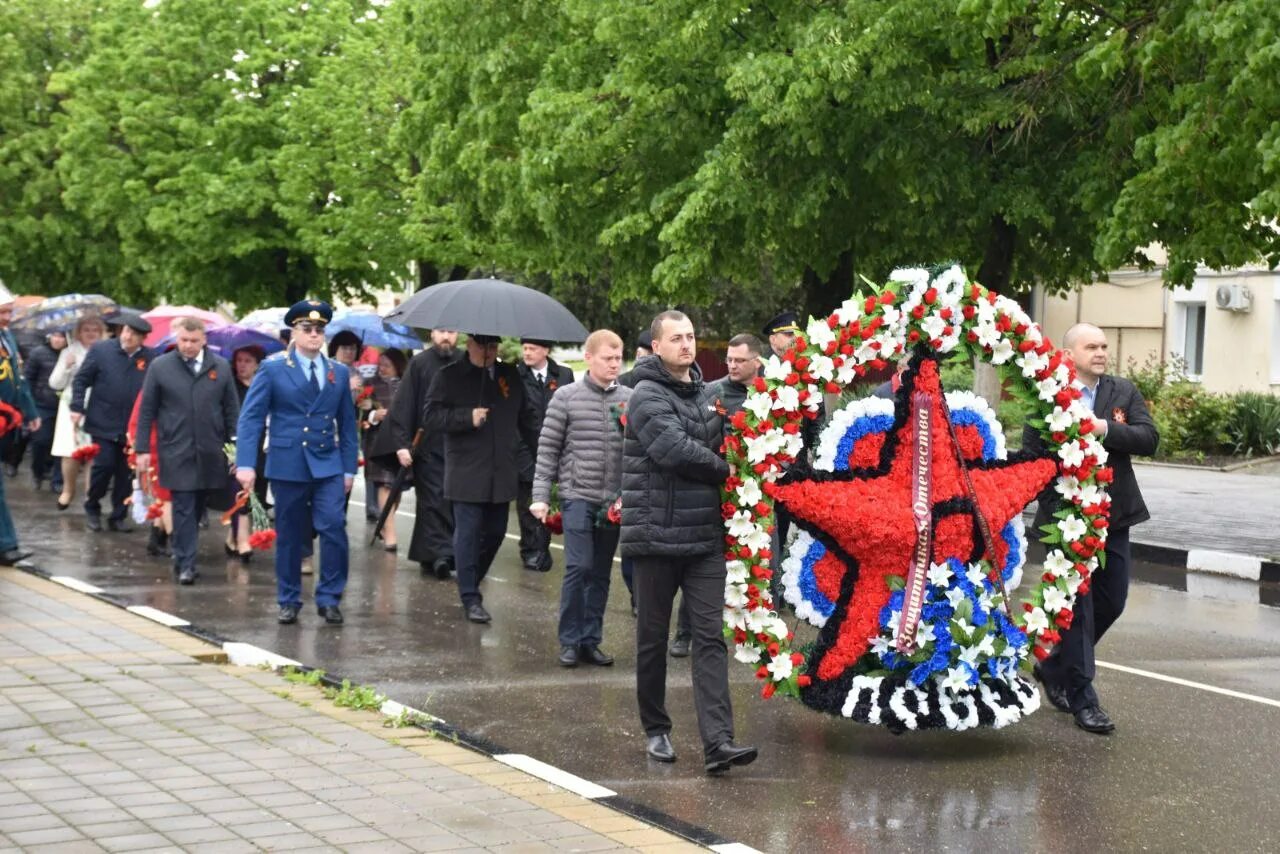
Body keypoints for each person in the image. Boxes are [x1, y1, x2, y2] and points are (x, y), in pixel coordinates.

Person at [622, 310, 757, 775]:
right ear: (656, 347)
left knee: (709, 638)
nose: (687, 344)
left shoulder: (709, 394)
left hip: (703, 540)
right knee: (652, 639)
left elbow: (728, 439)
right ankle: (656, 728)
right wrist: (728, 468)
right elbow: (674, 451)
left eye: (691, 336)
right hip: (656, 537)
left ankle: (718, 742)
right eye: (676, 338)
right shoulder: (644, 394)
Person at [1025, 322, 1158, 735]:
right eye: (1091, 346)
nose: (1101, 352)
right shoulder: (1048, 396)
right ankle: (1084, 699)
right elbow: (1033, 461)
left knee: (1112, 600)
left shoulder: (1122, 392)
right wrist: (1057, 507)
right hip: (1066, 524)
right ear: (1068, 355)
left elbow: (1148, 438)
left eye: (1103, 346)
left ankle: (1052, 665)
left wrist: (1105, 429)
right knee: (1078, 612)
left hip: (1113, 518)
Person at [236, 300, 358, 626]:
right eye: (307, 329)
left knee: (333, 526)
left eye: (319, 329)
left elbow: (347, 425)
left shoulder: (337, 372)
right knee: (290, 535)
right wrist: (246, 463)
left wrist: (349, 468)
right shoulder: (274, 368)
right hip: (288, 461)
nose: (314, 335)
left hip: (327, 462)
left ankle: (330, 597)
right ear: (294, 332)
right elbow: (251, 419)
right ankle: (288, 599)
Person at [529, 330, 630, 667]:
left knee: (601, 572)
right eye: (607, 358)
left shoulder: (630, 399)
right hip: (577, 496)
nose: (614, 364)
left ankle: (591, 639)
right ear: (589, 358)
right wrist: (541, 497)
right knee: (579, 566)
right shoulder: (566, 397)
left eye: (618, 358)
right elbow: (547, 449)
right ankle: (569, 640)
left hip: (613, 503)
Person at [424, 333, 539, 624]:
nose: (488, 352)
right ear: (470, 345)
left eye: (493, 346)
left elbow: (527, 419)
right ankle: (470, 596)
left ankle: (470, 578)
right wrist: (465, 417)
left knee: (497, 532)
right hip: (466, 472)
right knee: (468, 533)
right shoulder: (449, 376)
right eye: (483, 346)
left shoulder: (508, 375)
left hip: (501, 471)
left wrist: (547, 451)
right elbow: (431, 417)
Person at [134, 318, 239, 586]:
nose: (188, 346)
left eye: (194, 341)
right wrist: (142, 448)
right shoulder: (161, 367)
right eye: (183, 340)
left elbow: (231, 411)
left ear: (203, 339)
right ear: (175, 339)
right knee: (182, 505)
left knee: (197, 508)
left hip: (210, 450)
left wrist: (235, 448)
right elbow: (146, 411)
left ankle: (184, 556)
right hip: (175, 449)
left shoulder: (220, 367)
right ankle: (186, 563)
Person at [70, 311, 155, 532]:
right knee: (103, 466)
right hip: (103, 422)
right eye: (126, 331)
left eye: (135, 335)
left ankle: (118, 515)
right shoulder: (102, 350)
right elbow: (81, 380)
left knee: (125, 474)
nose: (128, 337)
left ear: (143, 338)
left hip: (132, 427)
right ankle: (93, 507)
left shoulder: (150, 358)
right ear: (121, 330)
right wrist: (77, 407)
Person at [389, 329, 462, 578]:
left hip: (459, 446)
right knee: (432, 501)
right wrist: (402, 443)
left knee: (453, 501)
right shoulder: (420, 363)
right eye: (441, 331)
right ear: (432, 333)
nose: (446, 337)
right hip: (428, 445)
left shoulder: (465, 362)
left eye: (451, 332)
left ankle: (434, 553)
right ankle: (441, 554)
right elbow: (404, 403)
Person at [515, 337, 575, 573]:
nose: (527, 353)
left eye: (533, 349)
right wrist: (522, 454)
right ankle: (530, 550)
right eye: (525, 348)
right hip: (525, 449)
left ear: (546, 350)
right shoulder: (516, 375)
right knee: (528, 504)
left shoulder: (563, 375)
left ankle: (542, 547)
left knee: (550, 502)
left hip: (555, 451)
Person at [0, 283, 40, 565]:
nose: (8, 318)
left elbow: (19, 378)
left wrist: (29, 411)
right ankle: (6, 544)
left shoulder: (7, 338)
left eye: (10, 312)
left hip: (6, 423)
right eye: (3, 313)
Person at [49, 315, 107, 510]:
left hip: (98, 404)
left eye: (95, 330)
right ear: (78, 332)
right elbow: (55, 383)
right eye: (86, 330)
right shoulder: (68, 351)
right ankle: (68, 489)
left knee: (94, 453)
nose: (91, 334)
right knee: (70, 453)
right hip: (71, 405)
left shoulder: (106, 352)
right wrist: (67, 367)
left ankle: (90, 496)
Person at [361, 348, 407, 551]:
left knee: (397, 487)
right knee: (385, 485)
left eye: (387, 365)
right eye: (380, 364)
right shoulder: (370, 384)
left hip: (402, 441)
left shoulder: (407, 383)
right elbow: (360, 413)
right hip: (379, 441)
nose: (382, 368)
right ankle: (390, 533)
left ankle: (383, 523)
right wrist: (373, 415)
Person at [226, 345, 268, 560]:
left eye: (247, 361)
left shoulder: (263, 386)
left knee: (257, 493)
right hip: (236, 445)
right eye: (239, 360)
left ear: (257, 365)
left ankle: (233, 537)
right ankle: (243, 540)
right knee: (241, 491)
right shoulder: (231, 386)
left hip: (263, 446)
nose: (241, 365)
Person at [22, 329, 67, 492]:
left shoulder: (69, 354)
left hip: (64, 406)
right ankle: (38, 472)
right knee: (40, 441)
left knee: (61, 446)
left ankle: (58, 479)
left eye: (61, 336)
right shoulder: (38, 353)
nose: (58, 340)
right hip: (41, 404)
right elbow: (28, 378)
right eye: (55, 335)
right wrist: (29, 403)